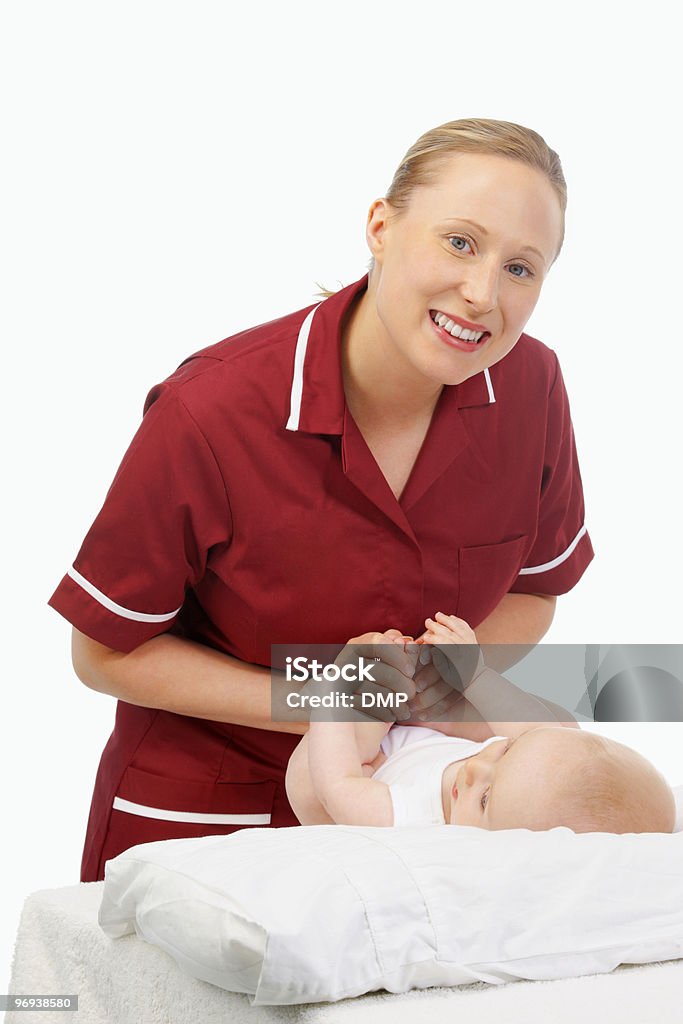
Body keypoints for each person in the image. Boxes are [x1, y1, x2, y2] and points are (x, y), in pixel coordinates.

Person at [47, 118, 595, 882]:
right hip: (212, 819)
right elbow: (105, 650)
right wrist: (337, 700)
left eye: (521, 268)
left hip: (415, 815)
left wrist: (445, 685)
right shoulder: (212, 411)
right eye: (460, 243)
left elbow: (536, 588)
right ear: (380, 226)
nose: (480, 294)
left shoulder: (531, 387)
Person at [286, 622, 676, 834]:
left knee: (312, 780)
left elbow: (338, 784)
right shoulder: (512, 787)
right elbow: (537, 737)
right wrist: (474, 674)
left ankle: (378, 694)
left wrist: (339, 680)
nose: (474, 768)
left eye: (485, 799)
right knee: (556, 728)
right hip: (427, 744)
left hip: (364, 770)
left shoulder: (415, 823)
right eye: (505, 754)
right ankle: (423, 697)